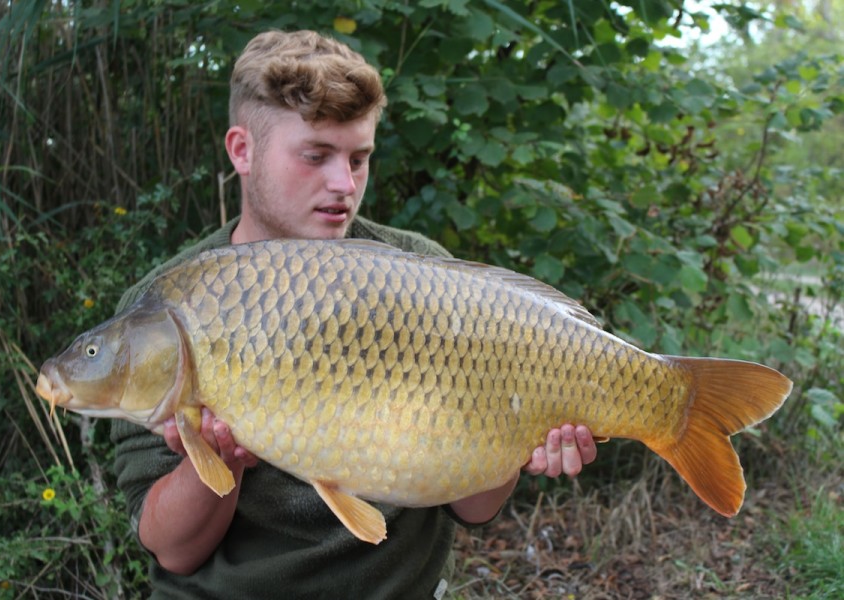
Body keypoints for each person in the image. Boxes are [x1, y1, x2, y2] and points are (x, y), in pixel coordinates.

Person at [111, 30, 597, 599]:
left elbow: (474, 506)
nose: (344, 185)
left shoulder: (419, 271)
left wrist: (518, 436)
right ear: (242, 150)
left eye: (359, 158)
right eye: (316, 156)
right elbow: (173, 549)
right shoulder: (169, 307)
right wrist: (218, 462)